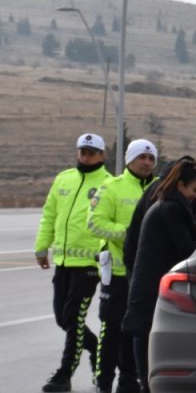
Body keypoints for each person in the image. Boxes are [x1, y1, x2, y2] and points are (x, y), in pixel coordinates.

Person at [34, 133, 113, 392]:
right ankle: (97, 351)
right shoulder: (64, 178)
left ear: (102, 155)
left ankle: (64, 374)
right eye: (82, 151)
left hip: (89, 265)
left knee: (73, 317)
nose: (85, 156)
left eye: (91, 152)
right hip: (64, 261)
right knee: (63, 318)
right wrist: (41, 247)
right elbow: (50, 214)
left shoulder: (108, 184)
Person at [121, 159, 196, 393]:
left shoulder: (163, 205)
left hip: (146, 284)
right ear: (180, 186)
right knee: (145, 339)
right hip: (152, 287)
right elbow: (186, 249)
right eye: (194, 190)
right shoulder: (172, 210)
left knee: (143, 336)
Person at [87, 138, 158, 393]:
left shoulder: (160, 189)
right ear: (129, 159)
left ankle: (128, 383)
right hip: (117, 272)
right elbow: (95, 223)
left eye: (151, 159)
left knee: (135, 331)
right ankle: (103, 382)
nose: (147, 163)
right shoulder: (111, 187)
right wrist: (130, 233)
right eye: (142, 157)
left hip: (143, 275)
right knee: (112, 329)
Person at [122, 150, 196, 273]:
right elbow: (169, 237)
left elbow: (187, 229)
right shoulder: (163, 192)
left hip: (169, 263)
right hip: (142, 262)